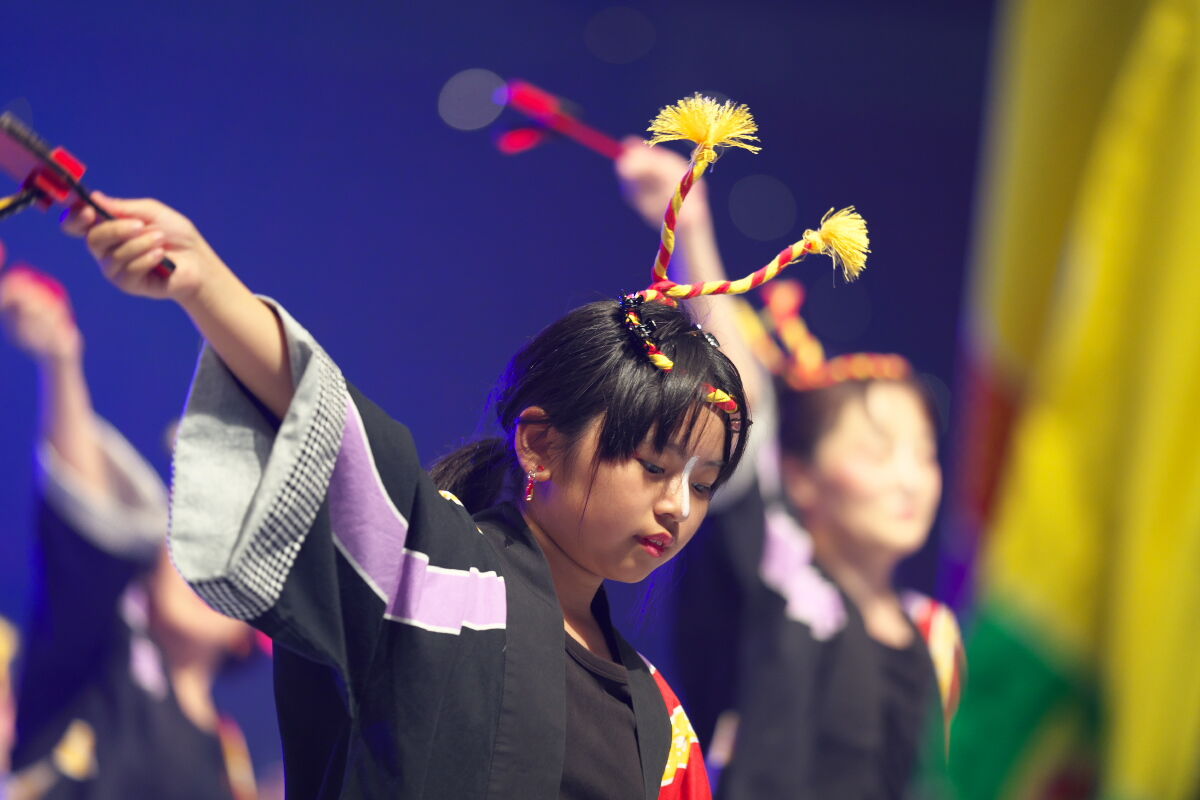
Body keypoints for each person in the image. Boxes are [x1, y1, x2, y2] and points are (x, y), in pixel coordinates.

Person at [59, 95, 866, 799]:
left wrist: (693, 231)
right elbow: (325, 420)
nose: (677, 505)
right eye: (653, 465)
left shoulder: (660, 721)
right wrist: (203, 282)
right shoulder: (436, 573)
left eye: (702, 481)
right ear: (539, 444)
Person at [617, 140, 963, 798]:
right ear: (800, 476)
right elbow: (744, 413)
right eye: (876, 451)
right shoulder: (780, 576)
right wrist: (692, 228)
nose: (909, 478)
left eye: (923, 453)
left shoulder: (934, 634)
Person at [0, 260, 264, 800]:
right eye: (187, 528)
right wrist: (62, 358)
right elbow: (91, 519)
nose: (195, 561)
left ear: (258, 624)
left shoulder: (230, 765)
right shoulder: (98, 648)